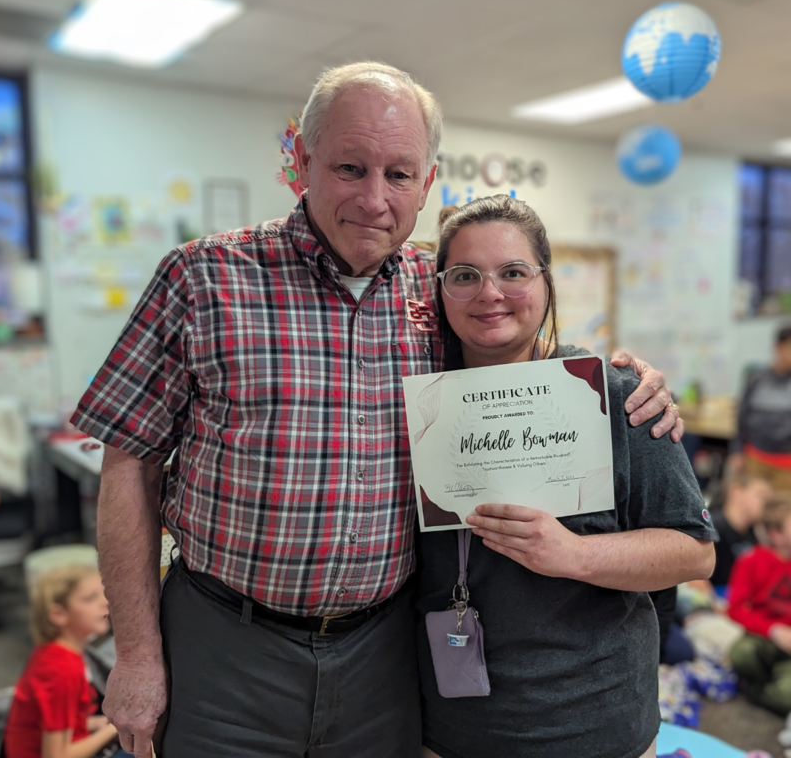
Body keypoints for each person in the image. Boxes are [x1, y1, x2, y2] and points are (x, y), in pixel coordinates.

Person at [70, 62, 683, 758]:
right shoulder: (203, 277)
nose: (373, 199)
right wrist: (136, 654)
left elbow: (517, 354)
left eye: (398, 174)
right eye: (349, 168)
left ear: (427, 182)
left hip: (384, 655)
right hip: (225, 644)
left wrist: (626, 378)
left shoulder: (443, 289)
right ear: (302, 161)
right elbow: (129, 465)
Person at [417, 194, 716, 758]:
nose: (489, 292)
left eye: (513, 272)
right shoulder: (420, 405)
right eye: (465, 275)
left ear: (546, 282)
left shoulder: (617, 396)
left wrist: (574, 554)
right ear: (441, 290)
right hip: (455, 728)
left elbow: (694, 554)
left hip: (600, 726)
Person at [4, 566, 122, 758]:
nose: (105, 602)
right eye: (90, 599)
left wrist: (97, 724)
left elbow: (51, 721)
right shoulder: (63, 670)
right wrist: (113, 729)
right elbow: (57, 755)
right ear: (59, 614)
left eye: (102, 594)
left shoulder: (49, 652)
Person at [728, 496, 791, 715]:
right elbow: (735, 609)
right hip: (762, 639)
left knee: (786, 696)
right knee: (742, 653)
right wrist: (773, 631)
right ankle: (754, 685)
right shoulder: (751, 561)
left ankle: (760, 691)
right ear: (775, 534)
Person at [731, 324, 791, 493]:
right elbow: (741, 417)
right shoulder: (756, 379)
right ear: (778, 348)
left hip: (786, 464)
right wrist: (736, 451)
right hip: (756, 459)